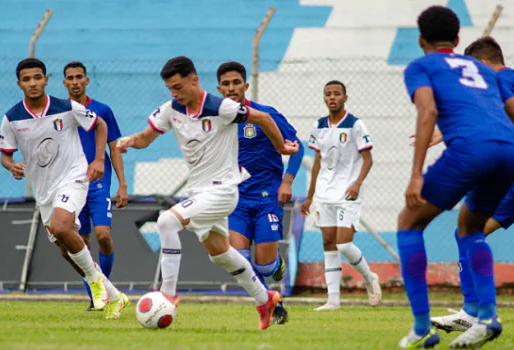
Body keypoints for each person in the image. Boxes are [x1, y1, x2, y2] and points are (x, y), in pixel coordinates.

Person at [116, 56, 299, 330]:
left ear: (194, 80)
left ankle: (168, 294)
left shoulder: (220, 107)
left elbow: (262, 117)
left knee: (167, 221)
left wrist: (282, 148)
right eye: (170, 89)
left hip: (223, 191)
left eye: (178, 86)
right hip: (200, 192)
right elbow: (145, 138)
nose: (174, 93)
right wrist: (131, 140)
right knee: (221, 254)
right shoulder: (171, 109)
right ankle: (265, 300)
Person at [397, 6, 514, 348]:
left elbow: (428, 111)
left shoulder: (422, 66)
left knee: (408, 222)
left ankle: (421, 326)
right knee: (470, 227)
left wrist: (416, 174)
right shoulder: (484, 69)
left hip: (470, 150)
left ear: (421, 40)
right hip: (508, 150)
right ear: (458, 38)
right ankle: (486, 318)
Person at [0, 58, 127, 319]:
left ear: (46, 80)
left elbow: (100, 124)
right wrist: (11, 165)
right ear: (19, 84)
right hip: (44, 189)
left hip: (74, 178)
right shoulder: (12, 118)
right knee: (64, 247)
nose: (33, 83)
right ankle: (114, 295)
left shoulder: (67, 108)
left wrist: (99, 159)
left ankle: (94, 280)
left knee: (61, 227)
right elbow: (5, 154)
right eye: (27, 79)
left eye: (37, 78)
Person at [426, 37, 514, 334]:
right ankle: (473, 310)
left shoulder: (500, 80)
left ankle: (474, 312)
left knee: (467, 230)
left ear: (485, 64)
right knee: (467, 230)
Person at [216, 61, 304, 324]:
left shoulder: (265, 115)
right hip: (236, 199)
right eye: (226, 84)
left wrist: (287, 181)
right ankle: (272, 305)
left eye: (236, 82)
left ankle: (276, 266)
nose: (231, 88)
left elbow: (296, 147)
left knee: (265, 266)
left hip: (267, 196)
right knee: (238, 259)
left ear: (246, 85)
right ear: (219, 88)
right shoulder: (217, 120)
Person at [299, 80, 381, 311]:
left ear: (345, 97)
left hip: (348, 192)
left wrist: (357, 184)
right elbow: (317, 163)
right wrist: (309, 196)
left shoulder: (356, 125)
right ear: (324, 98)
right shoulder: (318, 126)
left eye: (337, 94)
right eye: (328, 94)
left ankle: (368, 276)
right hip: (324, 193)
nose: (332, 97)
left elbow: (368, 159)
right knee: (328, 244)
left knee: (344, 244)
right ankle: (333, 300)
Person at [62, 61, 129, 311]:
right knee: (80, 241)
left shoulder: (102, 110)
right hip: (70, 183)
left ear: (87, 80)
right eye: (71, 78)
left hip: (99, 182)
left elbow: (115, 147)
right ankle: (95, 290)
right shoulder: (59, 112)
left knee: (103, 235)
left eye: (80, 77)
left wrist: (122, 185)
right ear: (65, 83)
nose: (76, 81)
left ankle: (105, 284)